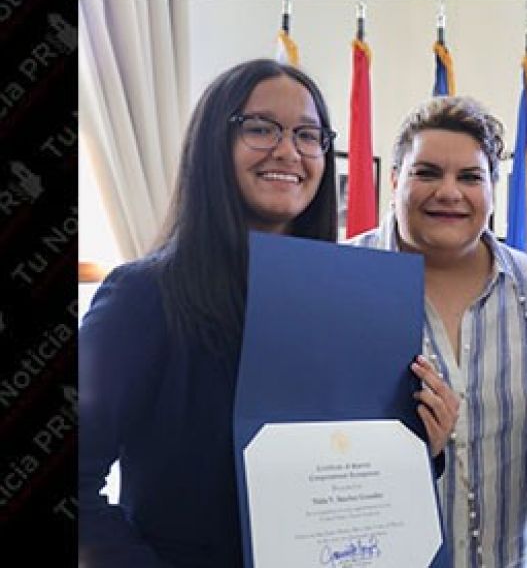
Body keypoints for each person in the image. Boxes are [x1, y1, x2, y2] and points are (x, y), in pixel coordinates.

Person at [79, 59, 457, 567]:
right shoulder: (141, 296)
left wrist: (420, 448)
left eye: (308, 134)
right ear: (214, 142)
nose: (288, 150)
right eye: (260, 128)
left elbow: (347, 468)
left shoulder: (351, 302)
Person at [351, 95, 527, 568]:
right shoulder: (341, 280)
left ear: (493, 188)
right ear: (393, 182)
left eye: (470, 177)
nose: (449, 192)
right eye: (427, 173)